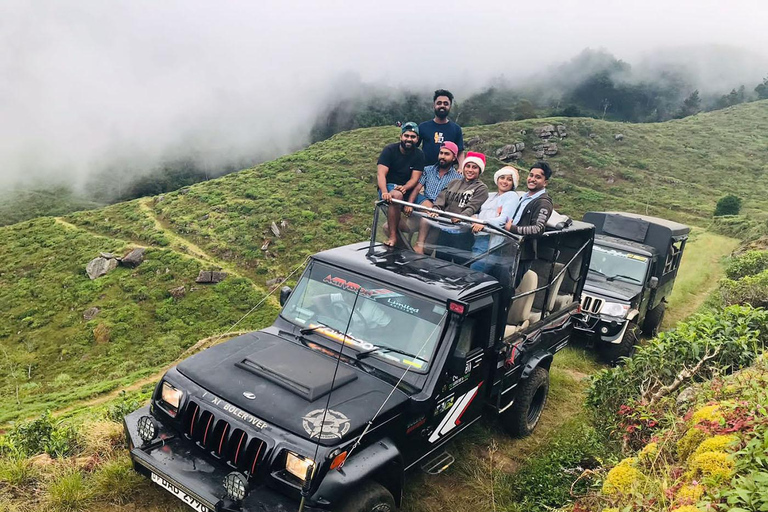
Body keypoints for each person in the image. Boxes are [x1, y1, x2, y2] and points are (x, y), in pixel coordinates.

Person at [413, 152, 489, 255]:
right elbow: (441, 198)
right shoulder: (454, 182)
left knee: (459, 264)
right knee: (441, 260)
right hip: (444, 229)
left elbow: (473, 206)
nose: (470, 170)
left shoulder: (481, 188)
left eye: (474, 167)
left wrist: (462, 217)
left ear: (479, 170)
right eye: (468, 166)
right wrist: (436, 209)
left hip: (463, 233)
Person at [505, 161, 554, 285]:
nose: (532, 179)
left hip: (522, 255)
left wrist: (513, 229)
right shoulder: (524, 197)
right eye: (531, 175)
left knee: (506, 289)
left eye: (538, 177)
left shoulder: (543, 202)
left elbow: (538, 229)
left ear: (545, 182)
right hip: (509, 249)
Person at [377, 122, 425, 246]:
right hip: (389, 186)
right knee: (396, 196)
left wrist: (404, 188)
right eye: (407, 135)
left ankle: (420, 244)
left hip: (408, 188)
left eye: (413, 137)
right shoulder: (389, 150)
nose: (409, 139)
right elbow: (381, 174)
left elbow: (415, 178)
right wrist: (384, 192)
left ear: (417, 139)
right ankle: (393, 237)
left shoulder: (419, 155)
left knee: (427, 206)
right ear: (401, 136)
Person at [469, 166, 520, 272]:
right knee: (471, 268)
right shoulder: (491, 195)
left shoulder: (511, 196)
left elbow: (504, 219)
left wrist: (484, 223)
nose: (505, 182)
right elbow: (481, 212)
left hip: (490, 239)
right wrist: (475, 218)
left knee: (475, 272)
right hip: (478, 236)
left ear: (513, 183)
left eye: (509, 179)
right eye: (502, 178)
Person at [403, 141, 462, 215]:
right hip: (424, 204)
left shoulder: (458, 178)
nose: (442, 156)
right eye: (441, 153)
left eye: (446, 154)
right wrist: (409, 204)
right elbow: (417, 188)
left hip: (442, 209)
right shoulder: (428, 170)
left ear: (453, 158)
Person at [418, 89, 465, 167]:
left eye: (446, 103)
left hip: (448, 174)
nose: (442, 105)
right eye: (439, 103)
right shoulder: (423, 127)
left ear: (450, 106)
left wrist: (461, 168)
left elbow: (460, 152)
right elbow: (414, 149)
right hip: (425, 172)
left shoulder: (456, 129)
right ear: (434, 105)